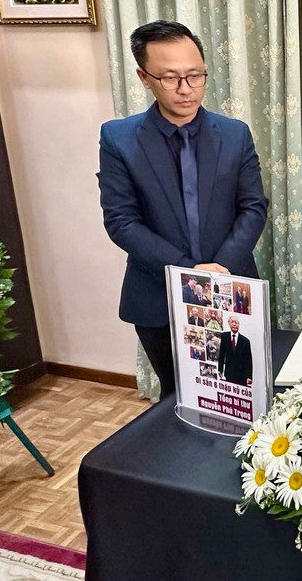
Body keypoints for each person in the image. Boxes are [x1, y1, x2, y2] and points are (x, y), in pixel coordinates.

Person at [98, 20, 268, 396]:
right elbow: (122, 221)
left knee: (239, 390)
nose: (186, 89)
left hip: (231, 289)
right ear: (144, 78)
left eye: (195, 76)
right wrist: (190, 272)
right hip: (158, 295)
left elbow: (253, 207)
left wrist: (219, 269)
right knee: (176, 396)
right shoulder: (119, 138)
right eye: (170, 78)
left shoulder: (234, 133)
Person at [220, 316, 252, 385]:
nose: (234, 324)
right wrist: (220, 369)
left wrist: (249, 377)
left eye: (236, 323)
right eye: (232, 322)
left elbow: (249, 360)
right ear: (229, 323)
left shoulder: (245, 341)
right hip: (229, 374)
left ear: (239, 324)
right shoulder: (224, 336)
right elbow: (221, 354)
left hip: (241, 375)